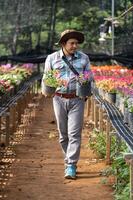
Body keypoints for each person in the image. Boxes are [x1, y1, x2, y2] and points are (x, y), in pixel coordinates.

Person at [42, 29, 92, 179]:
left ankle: (71, 164)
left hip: (77, 99)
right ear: (63, 43)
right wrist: (51, 83)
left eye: (77, 43)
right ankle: (68, 159)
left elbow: (89, 76)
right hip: (59, 98)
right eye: (72, 43)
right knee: (63, 135)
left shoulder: (84, 58)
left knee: (74, 134)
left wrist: (85, 79)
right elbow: (46, 77)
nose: (75, 46)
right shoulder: (52, 58)